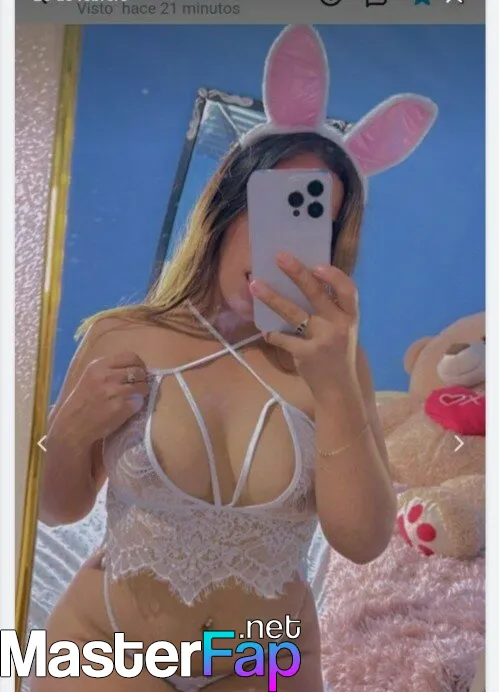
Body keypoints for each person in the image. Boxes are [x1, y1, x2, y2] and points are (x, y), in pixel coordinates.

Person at [33, 24, 437, 692]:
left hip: (264, 660)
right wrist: (69, 433)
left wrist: (336, 386)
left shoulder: (336, 366)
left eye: (313, 222)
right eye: (274, 209)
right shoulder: (121, 335)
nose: (285, 244)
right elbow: (57, 509)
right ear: (226, 204)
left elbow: (363, 541)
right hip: (105, 642)